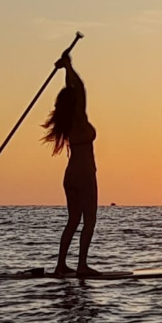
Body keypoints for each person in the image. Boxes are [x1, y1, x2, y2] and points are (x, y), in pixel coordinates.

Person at [42, 50, 99, 276]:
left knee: (74, 220)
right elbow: (80, 88)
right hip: (85, 174)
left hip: (70, 175)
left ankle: (60, 266)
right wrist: (70, 66)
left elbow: (73, 89)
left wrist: (67, 68)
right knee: (90, 221)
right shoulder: (79, 118)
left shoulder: (68, 119)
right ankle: (82, 266)